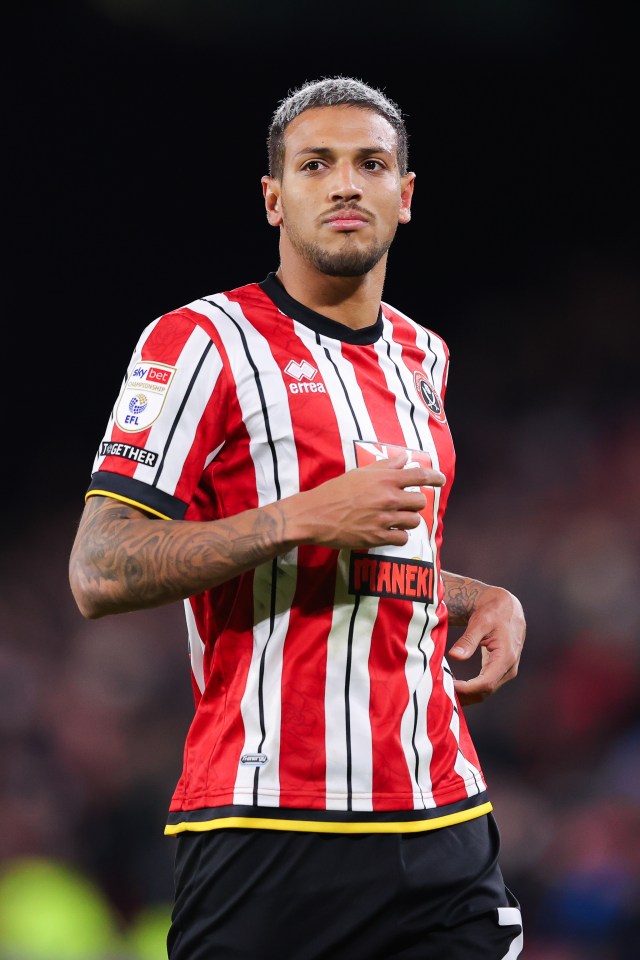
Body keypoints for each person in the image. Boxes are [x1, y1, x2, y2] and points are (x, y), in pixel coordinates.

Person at [69, 76, 526, 959]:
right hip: (267, 826)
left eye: (371, 163)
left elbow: (382, 552)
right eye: (317, 164)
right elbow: (100, 570)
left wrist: (476, 596)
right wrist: (299, 517)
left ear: (406, 194)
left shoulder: (423, 356)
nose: (347, 184)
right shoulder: (200, 341)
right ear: (276, 198)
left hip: (442, 816)